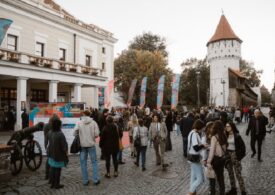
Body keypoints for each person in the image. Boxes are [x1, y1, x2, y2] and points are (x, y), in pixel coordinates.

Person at [74, 110, 100, 186]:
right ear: (90, 114)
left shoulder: (79, 122)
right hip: (91, 145)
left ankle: (85, 181)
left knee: (83, 163)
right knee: (94, 162)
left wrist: (80, 135)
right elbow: (97, 134)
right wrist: (92, 136)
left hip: (82, 145)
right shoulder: (93, 122)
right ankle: (95, 180)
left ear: (83, 114)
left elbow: (74, 133)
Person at [225, 122, 246, 195]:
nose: (227, 128)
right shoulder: (226, 135)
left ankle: (243, 191)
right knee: (230, 173)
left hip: (235, 154)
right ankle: (233, 189)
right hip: (228, 155)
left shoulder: (237, 136)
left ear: (232, 127)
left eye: (228, 126)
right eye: (226, 126)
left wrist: (238, 156)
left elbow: (243, 148)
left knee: (238, 174)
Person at [207, 120, 228, 195]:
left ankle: (213, 193)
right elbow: (225, 148)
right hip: (222, 158)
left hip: (216, 159)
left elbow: (212, 151)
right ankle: (222, 192)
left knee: (212, 177)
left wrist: (208, 161)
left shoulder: (214, 137)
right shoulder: (224, 135)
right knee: (221, 177)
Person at [47, 116, 68, 189]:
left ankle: (52, 183)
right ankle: (56, 184)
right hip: (58, 155)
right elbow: (64, 146)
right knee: (57, 170)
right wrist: (66, 153)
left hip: (51, 153)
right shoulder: (60, 134)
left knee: (52, 168)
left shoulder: (50, 132)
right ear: (58, 125)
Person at [187, 119, 206, 195]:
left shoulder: (191, 132)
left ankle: (193, 192)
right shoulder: (195, 134)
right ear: (200, 127)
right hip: (194, 157)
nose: (203, 129)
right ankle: (190, 192)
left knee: (193, 176)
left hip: (191, 157)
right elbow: (196, 147)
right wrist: (203, 145)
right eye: (202, 128)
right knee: (200, 179)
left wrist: (202, 145)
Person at [43, 114, 59, 181]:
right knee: (54, 161)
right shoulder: (55, 126)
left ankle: (47, 175)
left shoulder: (46, 126)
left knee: (49, 160)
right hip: (55, 145)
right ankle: (52, 176)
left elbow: (45, 137)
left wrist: (45, 145)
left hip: (49, 145)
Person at [201, 121, 215, 195]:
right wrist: (204, 159)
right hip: (208, 158)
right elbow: (203, 150)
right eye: (211, 127)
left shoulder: (215, 136)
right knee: (209, 175)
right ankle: (211, 189)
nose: (212, 129)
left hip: (215, 157)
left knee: (215, 175)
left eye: (213, 127)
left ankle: (215, 188)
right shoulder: (204, 137)